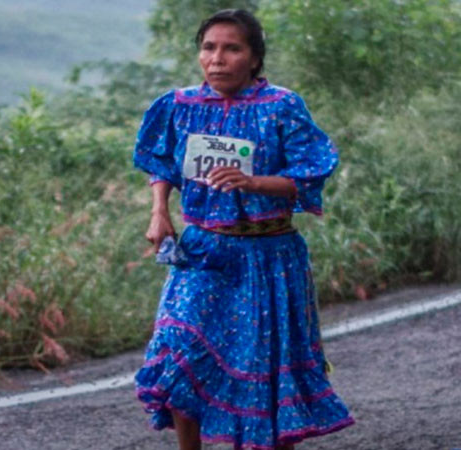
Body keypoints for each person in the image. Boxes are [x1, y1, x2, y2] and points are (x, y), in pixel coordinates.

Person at [132, 9, 354, 450]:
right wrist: (159, 211)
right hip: (201, 251)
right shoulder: (179, 106)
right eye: (209, 48)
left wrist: (253, 183)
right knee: (178, 348)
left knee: (263, 364)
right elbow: (159, 161)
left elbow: (311, 170)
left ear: (253, 58)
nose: (217, 58)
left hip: (267, 254)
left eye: (232, 48)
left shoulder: (281, 106)